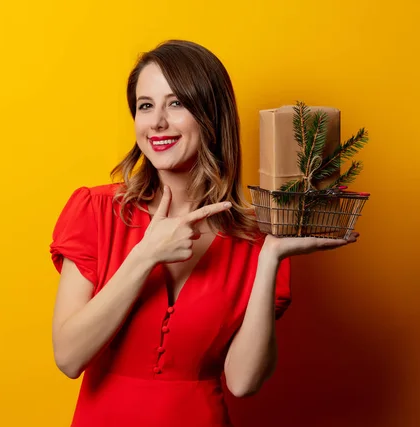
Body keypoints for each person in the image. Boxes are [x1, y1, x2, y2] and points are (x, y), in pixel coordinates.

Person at [48, 40, 359, 427]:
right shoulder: (96, 212)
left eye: (176, 103)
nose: (157, 121)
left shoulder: (253, 240)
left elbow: (243, 382)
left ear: (211, 116)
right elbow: (69, 357)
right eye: (146, 106)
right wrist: (145, 256)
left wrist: (270, 258)